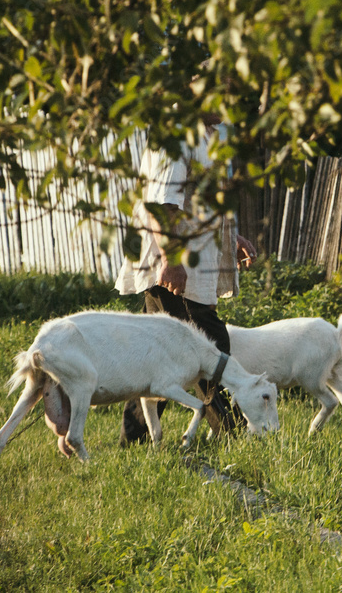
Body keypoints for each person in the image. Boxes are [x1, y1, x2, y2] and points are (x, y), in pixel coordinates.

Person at [114, 114, 256, 445]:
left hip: (195, 261)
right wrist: (170, 259)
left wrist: (231, 237)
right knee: (211, 346)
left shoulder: (217, 131)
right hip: (178, 266)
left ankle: (133, 441)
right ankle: (230, 438)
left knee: (159, 357)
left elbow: (205, 198)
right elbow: (162, 204)